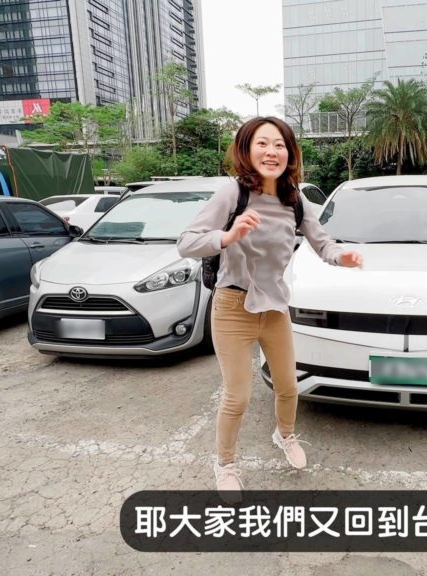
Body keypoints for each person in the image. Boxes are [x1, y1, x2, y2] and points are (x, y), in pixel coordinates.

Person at [177, 117, 363, 499]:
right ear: (246, 150)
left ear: (290, 153)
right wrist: (227, 235)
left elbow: (322, 243)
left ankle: (284, 435)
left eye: (279, 145)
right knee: (237, 397)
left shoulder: (294, 199)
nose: (271, 152)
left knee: (288, 385)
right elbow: (186, 242)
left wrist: (341, 257)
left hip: (275, 307)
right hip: (233, 306)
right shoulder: (233, 193)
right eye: (262, 143)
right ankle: (225, 464)